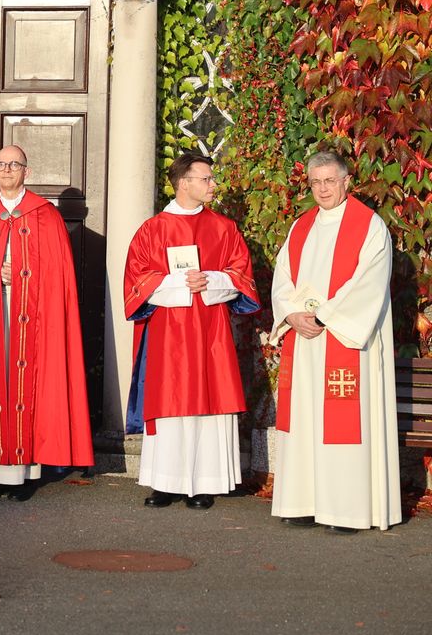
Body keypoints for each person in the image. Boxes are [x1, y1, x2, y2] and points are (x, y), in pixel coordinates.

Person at [0, 145, 94, 500]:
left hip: (34, 320)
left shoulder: (46, 216)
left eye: (14, 164)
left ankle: (26, 473)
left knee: (26, 385)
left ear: (27, 171)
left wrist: (26, 276)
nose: (6, 170)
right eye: (1, 164)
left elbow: (59, 278)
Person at [268, 151, 401, 533]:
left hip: (343, 339)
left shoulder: (369, 226)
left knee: (344, 423)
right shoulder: (301, 226)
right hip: (306, 341)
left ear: (346, 182)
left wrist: (324, 316)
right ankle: (304, 502)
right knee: (306, 420)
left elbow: (369, 283)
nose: (323, 189)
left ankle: (347, 510)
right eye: (315, 182)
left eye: (330, 181)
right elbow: (283, 278)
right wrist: (292, 315)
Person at [123, 152, 259, 510]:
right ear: (184, 183)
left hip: (210, 330)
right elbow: (136, 282)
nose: (214, 184)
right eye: (207, 179)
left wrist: (211, 279)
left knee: (209, 404)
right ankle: (166, 483)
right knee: (171, 405)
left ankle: (204, 483)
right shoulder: (152, 230)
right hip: (167, 332)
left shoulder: (224, 228)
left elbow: (242, 277)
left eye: (212, 179)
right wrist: (178, 282)